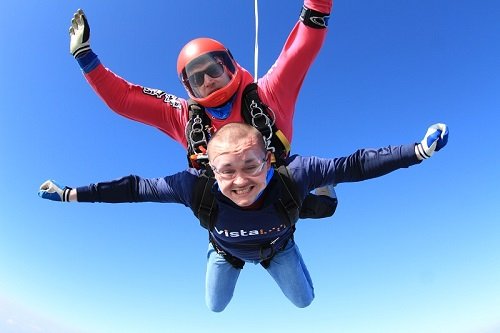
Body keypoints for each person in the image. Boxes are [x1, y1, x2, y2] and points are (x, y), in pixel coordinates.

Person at [38, 122, 449, 312]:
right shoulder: (192, 187)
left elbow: (356, 164)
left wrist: (417, 151)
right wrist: (73, 194)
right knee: (215, 307)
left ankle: (308, 211)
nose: (239, 182)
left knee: (304, 302)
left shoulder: (296, 173)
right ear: (209, 170)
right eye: (226, 171)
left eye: (251, 167)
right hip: (228, 252)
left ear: (269, 159)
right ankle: (228, 248)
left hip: (275, 247)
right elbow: (133, 189)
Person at [69, 1, 337, 217]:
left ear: (229, 64)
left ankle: (322, 184)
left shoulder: (268, 94)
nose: (207, 80)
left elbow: (302, 49)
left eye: (213, 68)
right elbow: (124, 100)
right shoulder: (184, 117)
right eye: (196, 78)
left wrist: (318, 5)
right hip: (230, 198)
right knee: (214, 213)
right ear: (189, 88)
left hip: (276, 182)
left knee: (322, 208)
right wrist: (85, 56)